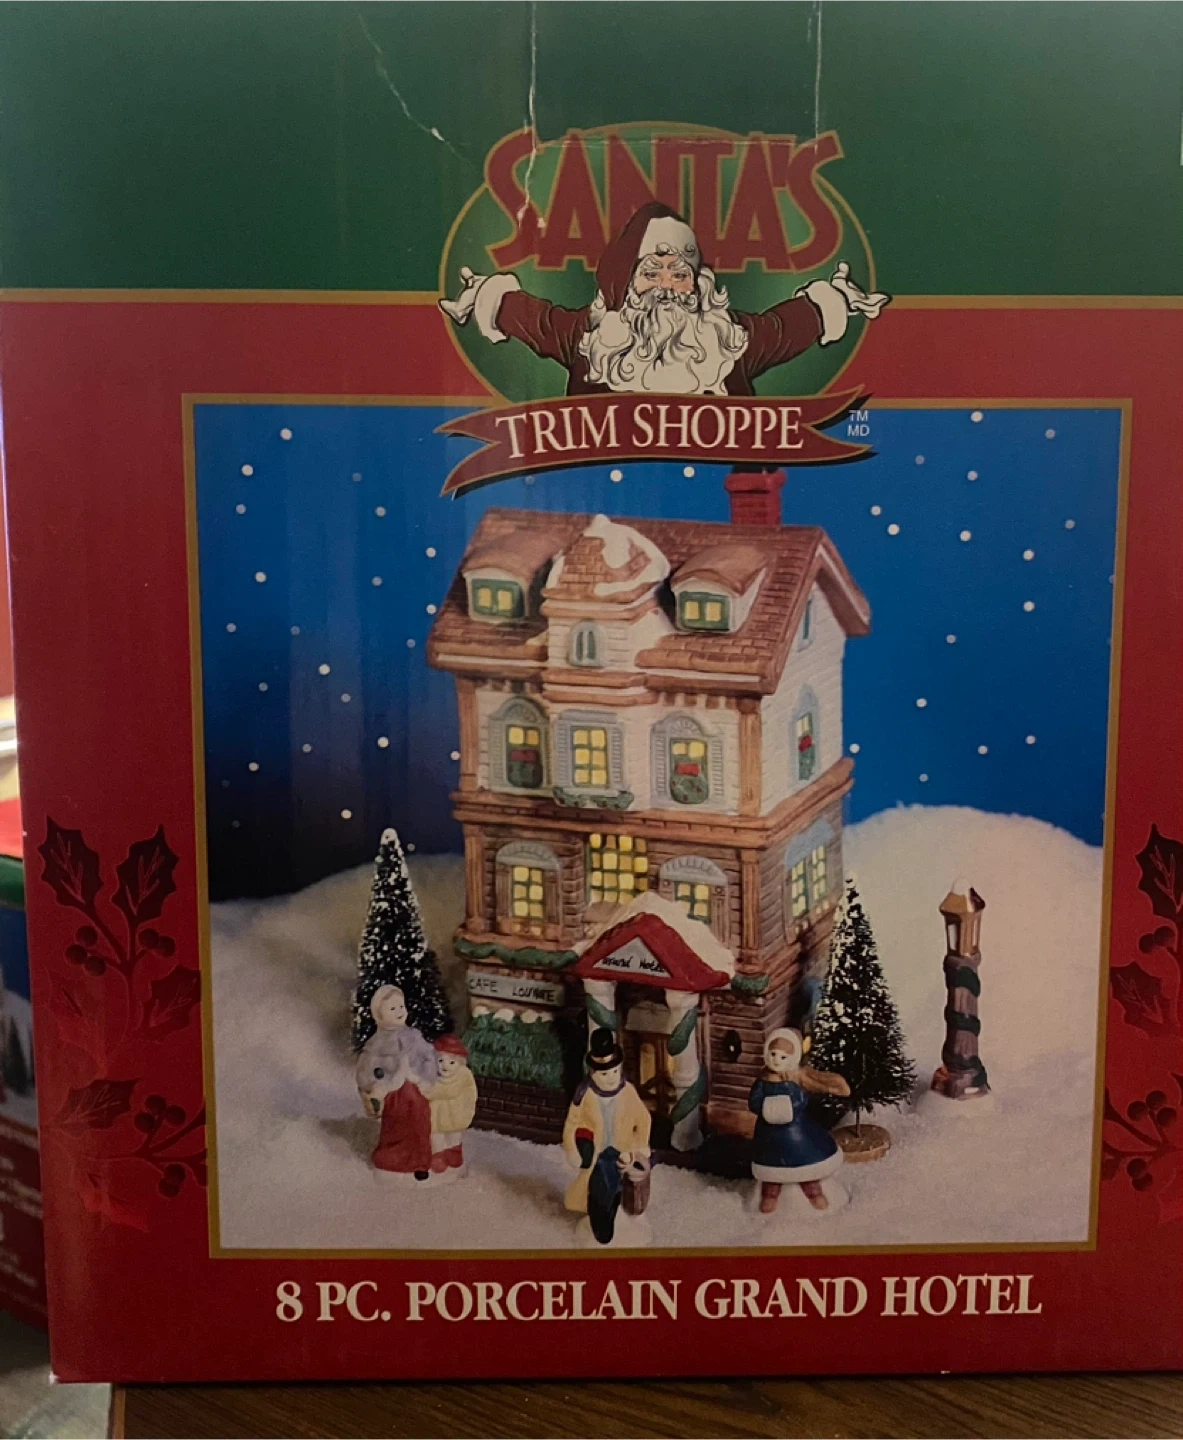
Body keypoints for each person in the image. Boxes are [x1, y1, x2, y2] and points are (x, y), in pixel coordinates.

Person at [440, 200, 889, 396]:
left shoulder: (732, 339)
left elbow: (791, 325)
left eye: (679, 274)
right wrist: (482, 295)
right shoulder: (588, 336)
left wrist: (838, 297)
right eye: (651, 273)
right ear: (625, 283)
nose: (666, 286)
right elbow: (529, 316)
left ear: (698, 282)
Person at [562, 1027, 652, 1243]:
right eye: (604, 1074)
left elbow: (643, 1119)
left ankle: (617, 1219)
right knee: (597, 1192)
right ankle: (600, 1225)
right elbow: (571, 1124)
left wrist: (638, 1145)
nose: (611, 1078)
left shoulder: (627, 1091)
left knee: (623, 1189)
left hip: (622, 1153)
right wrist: (573, 1150)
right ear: (593, 1073)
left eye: (614, 1071)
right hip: (597, 1154)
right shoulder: (585, 1095)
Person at [748, 1027, 850, 1214]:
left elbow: (800, 1100)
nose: (776, 1060)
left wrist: (789, 1107)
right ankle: (769, 1195)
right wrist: (765, 1106)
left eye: (783, 1057)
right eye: (773, 1054)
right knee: (771, 1170)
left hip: (795, 1133)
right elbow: (754, 1101)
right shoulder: (763, 1080)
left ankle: (814, 1193)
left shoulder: (793, 1079)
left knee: (805, 1166)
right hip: (769, 1136)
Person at [355, 984, 437, 1181]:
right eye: (392, 1008)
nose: (399, 1011)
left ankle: (420, 1162)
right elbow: (366, 1070)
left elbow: (429, 1057)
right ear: (379, 1015)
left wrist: (424, 1077)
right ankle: (393, 1158)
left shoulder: (414, 1036)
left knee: (419, 1121)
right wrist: (375, 1086)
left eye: (401, 1006)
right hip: (393, 1094)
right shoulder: (376, 1043)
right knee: (396, 1126)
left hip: (415, 1089)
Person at [425, 1034, 478, 1179]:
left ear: (460, 1062)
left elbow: (449, 1091)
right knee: (436, 1139)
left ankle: (454, 1157)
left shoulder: (463, 1075)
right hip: (436, 1117)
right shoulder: (432, 1074)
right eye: (440, 1060)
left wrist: (426, 1091)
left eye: (451, 1062)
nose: (445, 1065)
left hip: (455, 1115)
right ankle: (438, 1157)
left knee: (453, 1138)